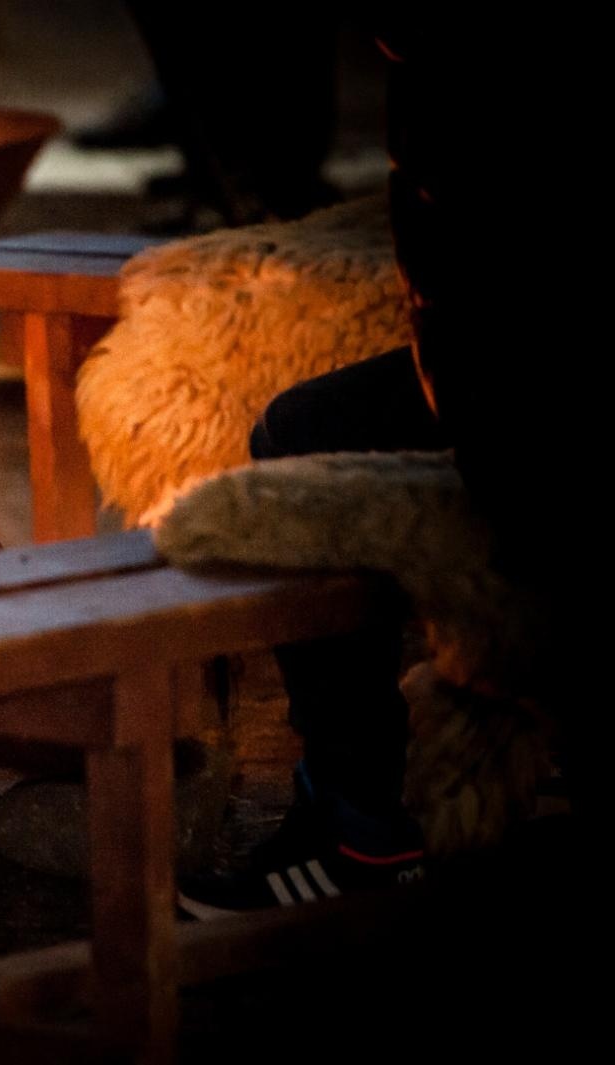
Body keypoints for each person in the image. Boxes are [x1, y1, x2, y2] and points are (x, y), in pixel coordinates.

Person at [176, 12, 588, 916]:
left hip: (538, 396)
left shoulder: (473, 72)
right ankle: (363, 812)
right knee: (302, 425)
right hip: (511, 364)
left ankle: (362, 831)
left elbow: (485, 279)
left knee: (305, 449)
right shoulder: (447, 68)